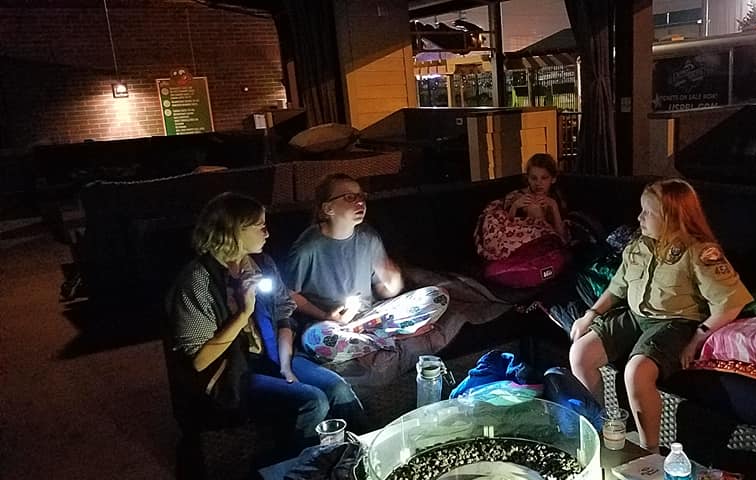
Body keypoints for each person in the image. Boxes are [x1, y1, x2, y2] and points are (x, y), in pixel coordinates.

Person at [166, 192, 367, 452]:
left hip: (273, 355)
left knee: (338, 388)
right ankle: (284, 472)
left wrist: (285, 364)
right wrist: (243, 313)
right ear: (234, 230)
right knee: (313, 400)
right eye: (260, 226)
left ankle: (362, 451)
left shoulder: (262, 264)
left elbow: (284, 314)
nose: (267, 233)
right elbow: (199, 361)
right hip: (234, 370)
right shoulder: (198, 281)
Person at [568, 179, 752, 450]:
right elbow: (617, 287)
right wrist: (590, 315)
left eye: (647, 212)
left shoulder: (700, 252)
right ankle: (604, 427)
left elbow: (730, 303)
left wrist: (698, 338)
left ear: (670, 217)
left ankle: (648, 449)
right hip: (634, 316)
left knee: (636, 372)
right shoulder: (639, 245)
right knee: (580, 354)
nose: (639, 217)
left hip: (673, 322)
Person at [285, 173, 449, 363]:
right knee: (319, 342)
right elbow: (290, 294)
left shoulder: (368, 237)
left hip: (370, 316)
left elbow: (384, 289)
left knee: (438, 296)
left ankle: (371, 337)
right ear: (328, 208)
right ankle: (390, 337)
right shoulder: (308, 247)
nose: (360, 202)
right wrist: (326, 316)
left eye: (362, 196)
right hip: (328, 324)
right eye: (350, 197)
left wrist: (392, 282)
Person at [476, 153, 568, 262]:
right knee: (534, 207)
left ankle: (544, 250)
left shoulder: (555, 198)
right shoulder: (519, 196)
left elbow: (562, 237)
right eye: (533, 178)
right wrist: (515, 207)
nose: (538, 183)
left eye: (544, 178)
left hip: (547, 246)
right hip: (519, 243)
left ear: (553, 179)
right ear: (528, 179)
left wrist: (554, 207)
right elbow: (503, 227)